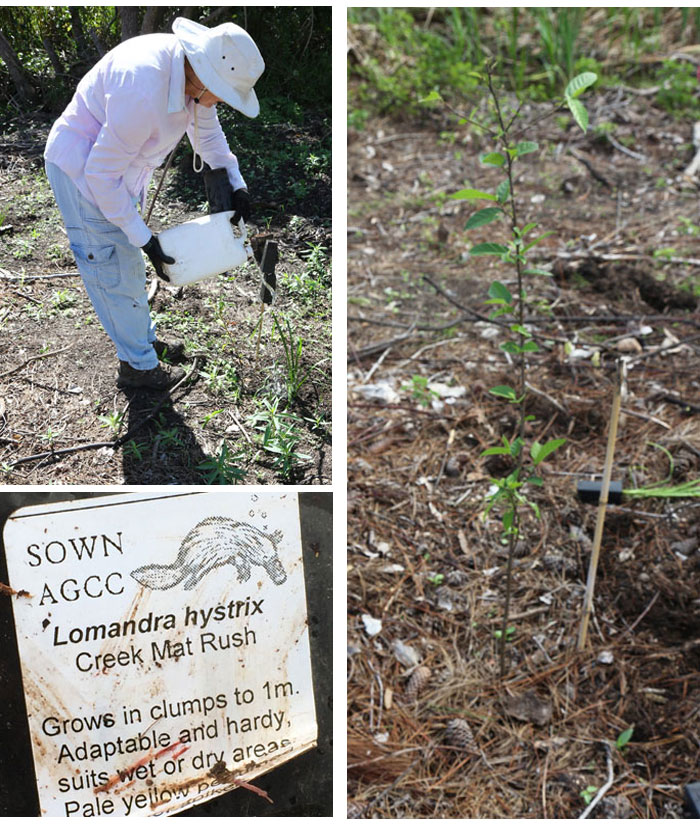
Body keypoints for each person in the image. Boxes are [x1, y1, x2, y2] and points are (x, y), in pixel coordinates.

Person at [44, 17, 264, 389]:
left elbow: (208, 137)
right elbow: (100, 177)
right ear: (207, 79)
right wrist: (143, 238)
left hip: (122, 169)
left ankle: (141, 343)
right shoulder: (143, 90)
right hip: (83, 172)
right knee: (114, 265)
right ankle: (138, 368)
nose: (223, 102)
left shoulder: (192, 74)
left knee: (126, 263)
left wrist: (236, 184)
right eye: (224, 94)